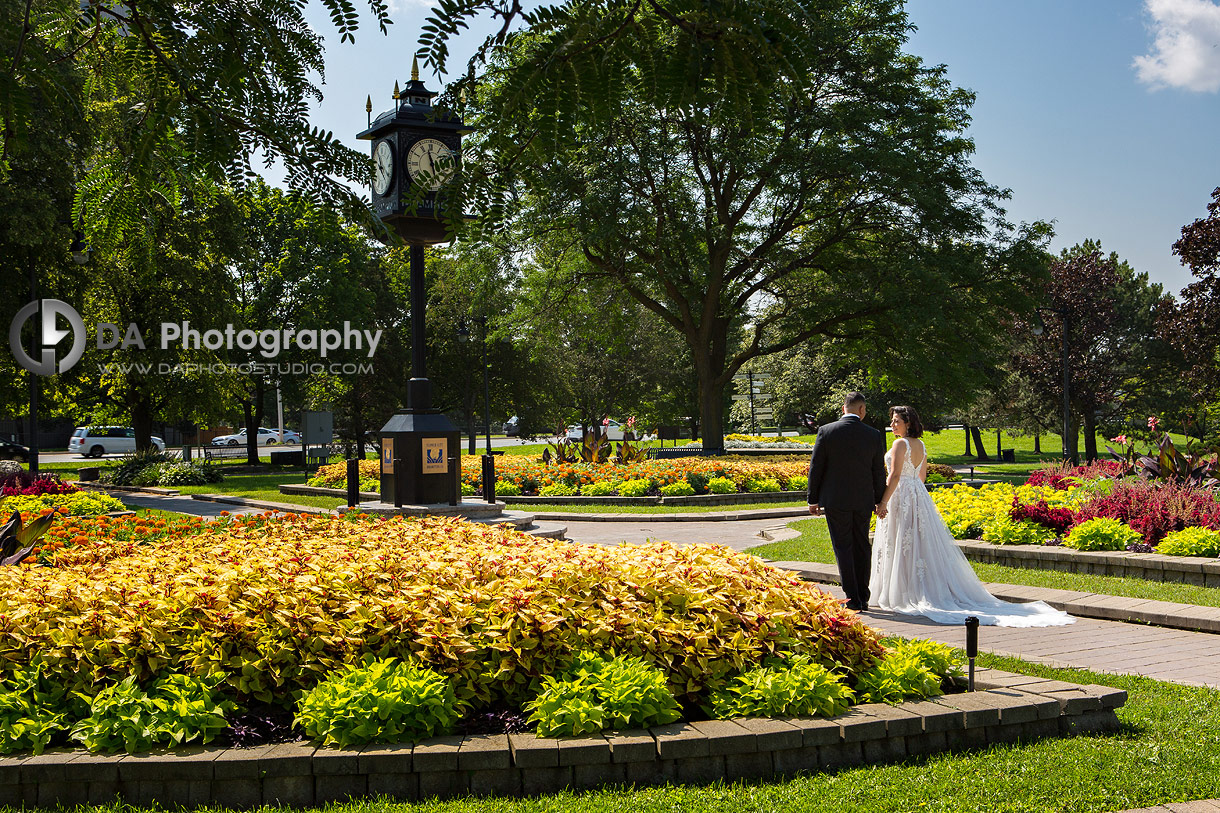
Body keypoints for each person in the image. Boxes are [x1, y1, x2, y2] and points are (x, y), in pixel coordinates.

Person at [871, 405, 1073, 627]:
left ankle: (902, 591)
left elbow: (896, 474)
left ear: (908, 422)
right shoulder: (921, 444)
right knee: (917, 545)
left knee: (902, 543)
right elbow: (922, 476)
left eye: (896, 420)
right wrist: (916, 496)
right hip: (918, 495)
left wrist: (883, 501)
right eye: (892, 421)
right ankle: (913, 587)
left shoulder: (900, 443)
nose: (892, 425)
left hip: (902, 495)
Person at [807, 392, 887, 612]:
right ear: (861, 410)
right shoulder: (872, 434)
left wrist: (813, 499)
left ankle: (852, 597)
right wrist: (880, 499)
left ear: (844, 409)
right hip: (863, 500)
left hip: (835, 499)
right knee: (862, 544)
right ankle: (864, 594)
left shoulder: (827, 431)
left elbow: (816, 467)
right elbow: (878, 471)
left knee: (843, 546)